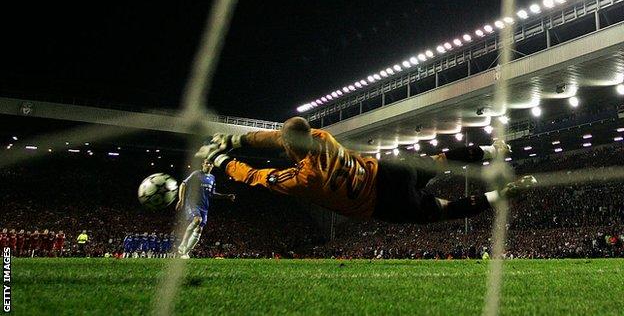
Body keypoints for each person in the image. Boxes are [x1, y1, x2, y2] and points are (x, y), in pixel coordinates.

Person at [197, 116, 536, 225]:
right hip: (388, 172)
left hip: (379, 202)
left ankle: (500, 194)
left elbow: (257, 177)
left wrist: (224, 160)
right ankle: (492, 149)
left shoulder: (305, 178)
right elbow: (280, 137)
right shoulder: (321, 137)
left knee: (442, 209)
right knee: (438, 161)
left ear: (288, 148)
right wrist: (235, 140)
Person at [175, 158, 236, 259]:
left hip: (204, 206)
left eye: (210, 164)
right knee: (197, 220)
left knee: (199, 230)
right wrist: (181, 200)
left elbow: (212, 194)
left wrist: (227, 196)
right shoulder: (196, 174)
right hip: (192, 203)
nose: (208, 165)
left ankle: (185, 253)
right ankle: (183, 244)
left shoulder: (212, 178)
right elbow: (183, 184)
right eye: (207, 163)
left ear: (212, 166)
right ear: (203, 164)